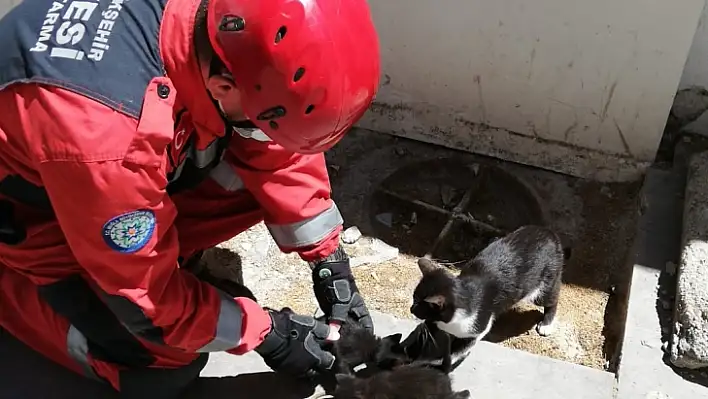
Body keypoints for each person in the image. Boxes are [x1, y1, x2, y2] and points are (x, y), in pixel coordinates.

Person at [0, 0, 380, 395]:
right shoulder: (108, 141)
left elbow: (274, 146)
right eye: (264, 122)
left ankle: (146, 256)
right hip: (34, 222)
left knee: (254, 175)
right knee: (162, 363)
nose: (266, 132)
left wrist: (329, 260)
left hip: (92, 184)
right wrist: (269, 333)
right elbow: (150, 299)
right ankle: (17, 293)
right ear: (222, 86)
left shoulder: (219, 29)